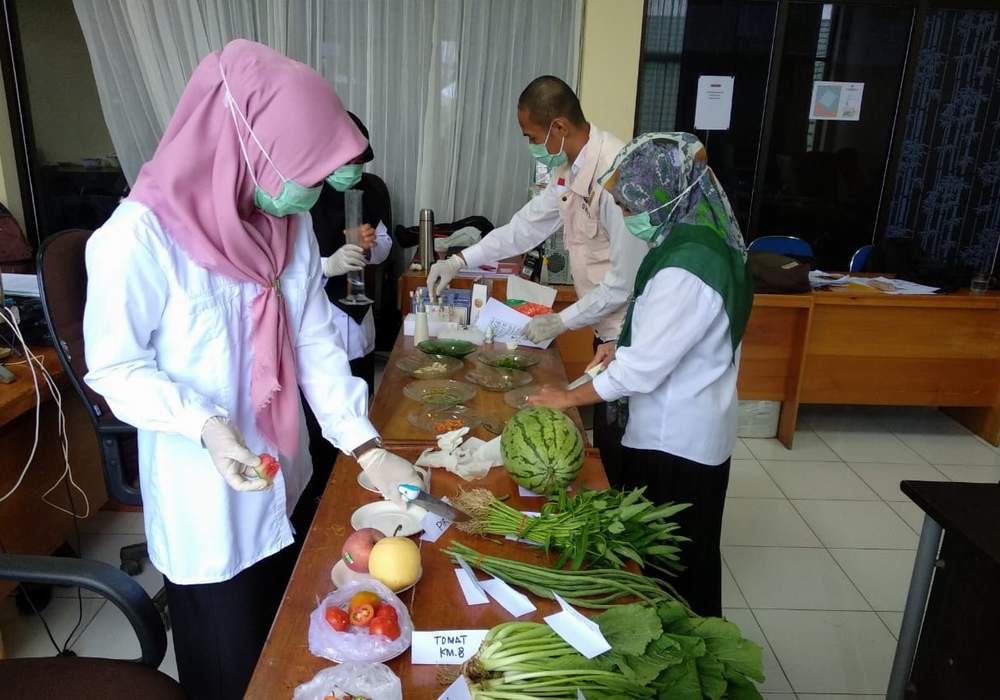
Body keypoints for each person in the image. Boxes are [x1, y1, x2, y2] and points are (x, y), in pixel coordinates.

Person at [82, 40, 423, 700]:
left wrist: (364, 445)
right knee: (232, 671)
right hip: (205, 501)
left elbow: (315, 340)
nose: (311, 193)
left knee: (288, 655)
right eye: (303, 172)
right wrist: (206, 426)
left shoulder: (281, 223)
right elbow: (117, 368)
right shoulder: (137, 239)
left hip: (281, 478)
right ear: (243, 141)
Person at [528, 132, 753, 617]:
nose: (628, 216)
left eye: (630, 205)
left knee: (675, 568)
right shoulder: (695, 239)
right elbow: (669, 338)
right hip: (692, 424)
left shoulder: (689, 265)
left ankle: (680, 655)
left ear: (665, 196)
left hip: (675, 440)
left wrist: (566, 399)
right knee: (685, 554)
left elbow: (643, 371)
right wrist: (616, 345)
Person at [426, 75, 647, 485]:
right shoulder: (568, 170)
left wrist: (562, 321)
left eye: (532, 136)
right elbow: (524, 229)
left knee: (625, 443)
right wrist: (459, 259)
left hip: (632, 331)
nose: (531, 146)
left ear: (559, 127)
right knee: (611, 433)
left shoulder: (617, 174)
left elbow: (624, 281)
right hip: (606, 330)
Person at [310, 111, 392, 393]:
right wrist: (327, 265)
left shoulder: (369, 189)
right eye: (348, 162)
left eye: (360, 162)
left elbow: (384, 241)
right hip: (319, 318)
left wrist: (368, 248)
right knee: (327, 403)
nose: (354, 169)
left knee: (362, 393)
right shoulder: (301, 196)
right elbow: (284, 270)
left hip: (360, 314)